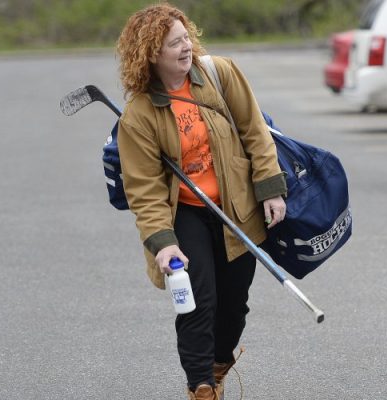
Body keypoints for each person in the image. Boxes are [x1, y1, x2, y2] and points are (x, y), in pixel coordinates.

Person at [115, 4, 287, 399]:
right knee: (196, 302)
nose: (185, 48)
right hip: (186, 216)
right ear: (151, 53)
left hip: (236, 208)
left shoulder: (219, 73)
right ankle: (201, 387)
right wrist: (163, 241)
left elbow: (255, 131)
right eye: (173, 44)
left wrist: (270, 188)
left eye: (185, 38)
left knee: (233, 306)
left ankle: (218, 365)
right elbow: (144, 189)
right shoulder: (139, 114)